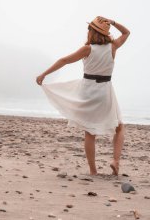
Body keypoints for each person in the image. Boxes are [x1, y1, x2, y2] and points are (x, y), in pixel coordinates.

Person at [36, 16, 130, 176]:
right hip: (105, 91)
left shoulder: (88, 49)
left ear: (92, 32)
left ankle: (93, 171)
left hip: (88, 90)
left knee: (89, 131)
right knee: (119, 127)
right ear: (106, 33)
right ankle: (115, 161)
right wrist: (113, 22)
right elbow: (126, 32)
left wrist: (44, 74)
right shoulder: (113, 47)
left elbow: (64, 60)